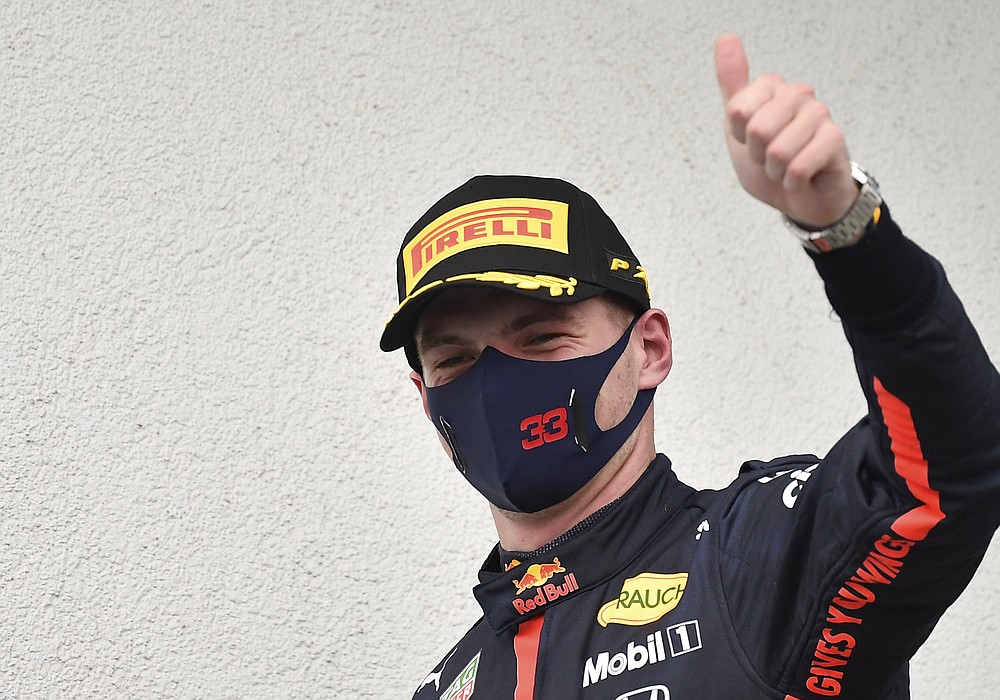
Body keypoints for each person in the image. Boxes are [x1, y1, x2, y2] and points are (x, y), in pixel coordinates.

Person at [379, 34, 1000, 700]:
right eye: (456, 359)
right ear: (424, 397)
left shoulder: (757, 557)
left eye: (541, 337)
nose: (495, 382)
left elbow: (954, 464)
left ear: (649, 350)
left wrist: (848, 233)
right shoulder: (449, 687)